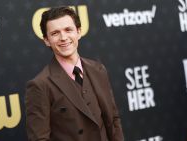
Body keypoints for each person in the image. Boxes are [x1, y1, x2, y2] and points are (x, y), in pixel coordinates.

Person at [25, 6, 124, 141]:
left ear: (78, 32)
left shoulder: (98, 70)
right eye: (55, 33)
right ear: (46, 40)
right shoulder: (40, 85)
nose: (63, 37)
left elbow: (113, 120)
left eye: (68, 30)